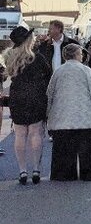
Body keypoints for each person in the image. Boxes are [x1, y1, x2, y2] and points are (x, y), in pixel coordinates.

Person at [47, 43, 91, 181]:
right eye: (81, 54)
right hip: (85, 116)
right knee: (87, 148)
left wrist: (49, 113)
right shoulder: (88, 72)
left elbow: (50, 93)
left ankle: (64, 174)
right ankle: (88, 173)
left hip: (62, 116)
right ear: (76, 55)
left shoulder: (58, 72)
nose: (82, 56)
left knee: (63, 149)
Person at [3, 26, 52, 184]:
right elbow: (48, 75)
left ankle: (22, 171)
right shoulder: (37, 58)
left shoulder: (9, 57)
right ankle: (36, 169)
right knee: (35, 134)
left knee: (20, 134)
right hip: (36, 97)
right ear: (28, 40)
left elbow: (9, 77)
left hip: (17, 97)